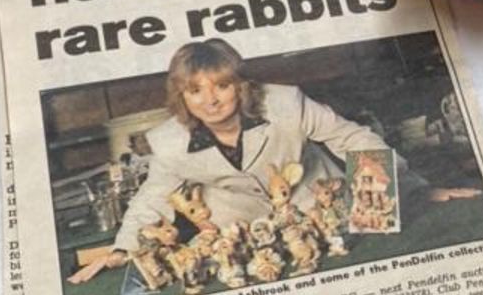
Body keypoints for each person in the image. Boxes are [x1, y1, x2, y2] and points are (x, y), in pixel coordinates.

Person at [69, 38, 393, 282]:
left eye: (222, 86)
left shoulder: (287, 102)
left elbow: (354, 138)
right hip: (243, 238)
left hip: (319, 215)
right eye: (195, 91)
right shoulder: (168, 142)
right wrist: (122, 249)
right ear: (181, 96)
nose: (210, 101)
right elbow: (152, 197)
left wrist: (392, 198)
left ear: (241, 86)